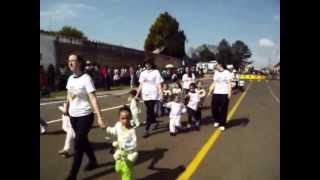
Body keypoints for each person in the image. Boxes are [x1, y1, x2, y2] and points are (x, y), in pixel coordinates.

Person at [65, 54, 107, 180]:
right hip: (73, 116)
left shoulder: (86, 78)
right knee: (83, 140)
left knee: (78, 144)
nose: (70, 63)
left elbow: (93, 98)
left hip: (85, 115)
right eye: (69, 61)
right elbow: (69, 94)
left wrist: (99, 117)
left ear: (79, 63)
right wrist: (66, 108)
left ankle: (72, 175)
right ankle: (93, 161)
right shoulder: (70, 78)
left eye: (73, 60)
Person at [105, 105, 138, 180]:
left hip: (129, 155)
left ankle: (127, 176)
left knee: (126, 172)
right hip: (119, 153)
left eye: (127, 118)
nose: (125, 120)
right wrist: (106, 128)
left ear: (130, 118)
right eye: (123, 118)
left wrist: (125, 146)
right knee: (118, 169)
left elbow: (134, 144)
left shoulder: (132, 131)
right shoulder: (118, 125)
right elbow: (114, 130)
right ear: (119, 118)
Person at [136, 57, 163, 138]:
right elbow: (140, 84)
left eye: (149, 63)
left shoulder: (156, 72)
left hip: (154, 93)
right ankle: (155, 122)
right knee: (150, 111)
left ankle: (146, 130)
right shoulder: (143, 73)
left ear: (151, 64)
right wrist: (137, 94)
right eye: (146, 63)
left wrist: (161, 93)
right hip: (145, 94)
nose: (147, 65)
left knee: (149, 110)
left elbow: (159, 84)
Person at [207, 62, 232, 131]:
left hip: (224, 93)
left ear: (220, 65)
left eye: (216, 65)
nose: (216, 66)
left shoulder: (227, 72)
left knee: (223, 109)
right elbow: (214, 82)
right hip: (216, 93)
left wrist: (229, 93)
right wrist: (210, 91)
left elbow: (229, 83)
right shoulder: (216, 72)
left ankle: (222, 124)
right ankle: (217, 120)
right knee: (214, 108)